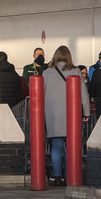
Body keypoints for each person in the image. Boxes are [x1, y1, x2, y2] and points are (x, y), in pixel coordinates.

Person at [42, 46, 89, 186]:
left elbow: (41, 94)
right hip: (72, 114)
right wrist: (86, 112)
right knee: (71, 146)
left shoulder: (46, 73)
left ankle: (57, 177)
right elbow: (84, 94)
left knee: (56, 145)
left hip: (53, 114)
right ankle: (70, 177)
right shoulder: (75, 71)